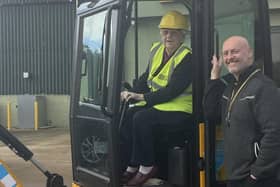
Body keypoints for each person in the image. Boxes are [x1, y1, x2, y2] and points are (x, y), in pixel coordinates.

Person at [120, 10, 192, 186]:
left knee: (141, 118)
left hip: (180, 108)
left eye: (174, 32)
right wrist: (130, 93)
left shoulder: (187, 57)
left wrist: (142, 96)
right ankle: (133, 163)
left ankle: (147, 167)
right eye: (165, 31)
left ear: (182, 35)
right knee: (128, 116)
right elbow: (147, 77)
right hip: (161, 104)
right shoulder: (157, 50)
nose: (168, 36)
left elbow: (172, 90)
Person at [204, 35, 280, 187]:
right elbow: (211, 113)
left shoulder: (263, 87)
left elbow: (275, 133)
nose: (230, 57)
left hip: (258, 180)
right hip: (235, 176)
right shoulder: (230, 88)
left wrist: (256, 175)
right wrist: (214, 77)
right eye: (225, 53)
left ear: (249, 53)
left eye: (235, 52)